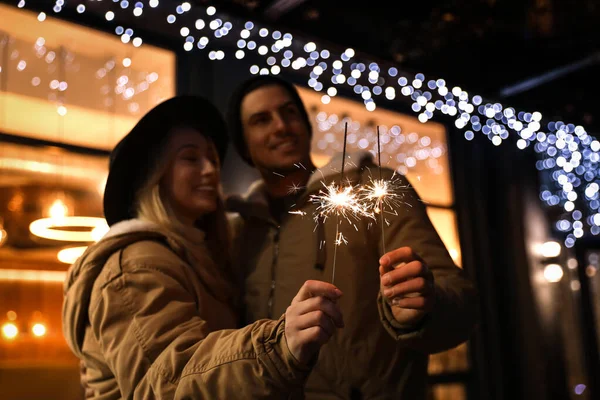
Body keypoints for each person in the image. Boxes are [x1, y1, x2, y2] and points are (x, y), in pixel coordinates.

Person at [62, 95, 344, 399]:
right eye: (191, 158)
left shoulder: (196, 257)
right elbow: (166, 382)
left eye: (212, 157)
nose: (210, 169)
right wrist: (277, 346)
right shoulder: (135, 265)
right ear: (155, 175)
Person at [225, 76, 478, 399]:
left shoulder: (374, 191)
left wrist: (424, 308)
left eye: (289, 113)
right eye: (262, 120)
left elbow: (462, 303)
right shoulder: (240, 233)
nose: (281, 126)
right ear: (244, 144)